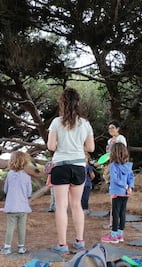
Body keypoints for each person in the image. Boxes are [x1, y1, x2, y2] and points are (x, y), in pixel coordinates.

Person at [47, 87, 95, 255]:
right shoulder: (85, 124)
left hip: (60, 165)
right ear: (78, 103)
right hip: (79, 166)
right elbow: (91, 147)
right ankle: (80, 242)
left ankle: (62, 245)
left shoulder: (56, 122)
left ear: (62, 103)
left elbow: (51, 146)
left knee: (61, 206)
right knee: (76, 205)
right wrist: (77, 146)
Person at [0, 151, 32, 255]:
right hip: (23, 207)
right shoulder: (27, 176)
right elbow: (29, 192)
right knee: (22, 228)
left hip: (11, 207)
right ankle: (21, 247)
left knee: (10, 227)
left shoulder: (9, 175)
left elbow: (5, 190)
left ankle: (7, 248)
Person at [101, 143, 135, 243]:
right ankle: (120, 234)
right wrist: (130, 187)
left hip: (116, 192)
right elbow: (131, 177)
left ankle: (113, 235)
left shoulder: (113, 166)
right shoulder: (128, 166)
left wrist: (124, 185)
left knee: (115, 213)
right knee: (122, 212)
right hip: (126, 193)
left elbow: (115, 179)